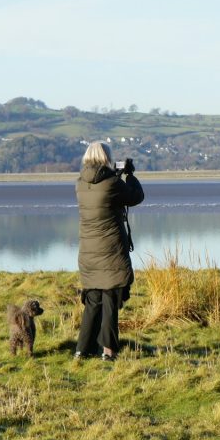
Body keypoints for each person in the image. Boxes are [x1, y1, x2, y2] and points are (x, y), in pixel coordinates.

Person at [74, 141, 144, 361]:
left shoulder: (79, 184)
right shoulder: (113, 183)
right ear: (107, 158)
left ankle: (82, 350)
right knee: (111, 302)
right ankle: (108, 352)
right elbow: (135, 197)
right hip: (111, 251)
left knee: (92, 303)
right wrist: (129, 175)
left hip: (88, 252)